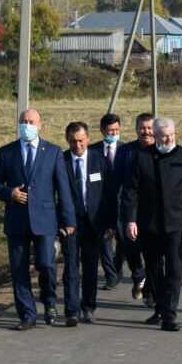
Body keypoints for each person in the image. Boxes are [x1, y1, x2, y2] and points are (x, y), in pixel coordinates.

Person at [0, 108, 77, 330]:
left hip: (45, 219)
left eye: (31, 122)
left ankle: (49, 301)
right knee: (19, 270)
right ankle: (27, 314)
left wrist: (68, 220)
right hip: (16, 220)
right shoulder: (7, 152)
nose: (26, 125)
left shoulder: (53, 152)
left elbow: (63, 188)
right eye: (23, 121)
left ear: (40, 125)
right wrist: (9, 193)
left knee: (46, 264)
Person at [120, 118, 182, 332]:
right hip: (149, 223)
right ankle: (160, 307)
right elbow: (131, 191)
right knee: (154, 269)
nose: (169, 139)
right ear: (155, 136)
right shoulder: (141, 157)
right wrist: (131, 219)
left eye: (172, 135)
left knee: (174, 269)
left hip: (175, 223)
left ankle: (169, 314)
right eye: (164, 136)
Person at [63, 121, 112, 325]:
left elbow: (109, 193)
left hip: (94, 223)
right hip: (70, 223)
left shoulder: (99, 160)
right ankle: (71, 311)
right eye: (73, 141)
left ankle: (88, 307)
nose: (77, 145)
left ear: (88, 139)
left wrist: (110, 223)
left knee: (90, 267)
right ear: (67, 140)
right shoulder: (62, 161)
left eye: (81, 141)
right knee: (71, 267)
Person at [114, 113, 154, 305]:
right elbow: (115, 180)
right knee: (129, 246)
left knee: (153, 253)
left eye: (149, 128)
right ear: (136, 129)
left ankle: (151, 293)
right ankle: (139, 275)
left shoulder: (160, 151)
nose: (146, 131)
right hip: (128, 208)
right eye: (142, 128)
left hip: (152, 210)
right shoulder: (125, 151)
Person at [91, 113, 123, 289]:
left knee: (124, 241)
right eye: (110, 130)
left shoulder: (126, 150)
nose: (114, 133)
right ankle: (110, 275)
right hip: (100, 204)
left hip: (122, 204)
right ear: (103, 130)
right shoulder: (93, 151)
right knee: (104, 242)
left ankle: (118, 268)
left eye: (117, 130)